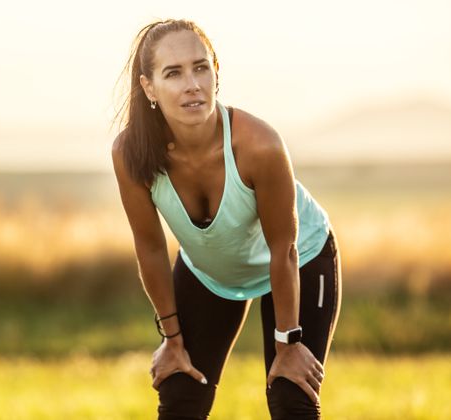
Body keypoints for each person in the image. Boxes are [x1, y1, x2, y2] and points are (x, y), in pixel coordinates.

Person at [111, 19, 342, 420]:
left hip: (298, 258)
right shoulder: (132, 154)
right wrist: (172, 339)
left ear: (216, 72)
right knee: (181, 391)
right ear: (149, 87)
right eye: (173, 73)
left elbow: (283, 248)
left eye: (201, 67)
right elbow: (149, 248)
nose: (192, 84)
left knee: (292, 397)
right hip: (210, 271)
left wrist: (288, 344)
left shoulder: (259, 145)